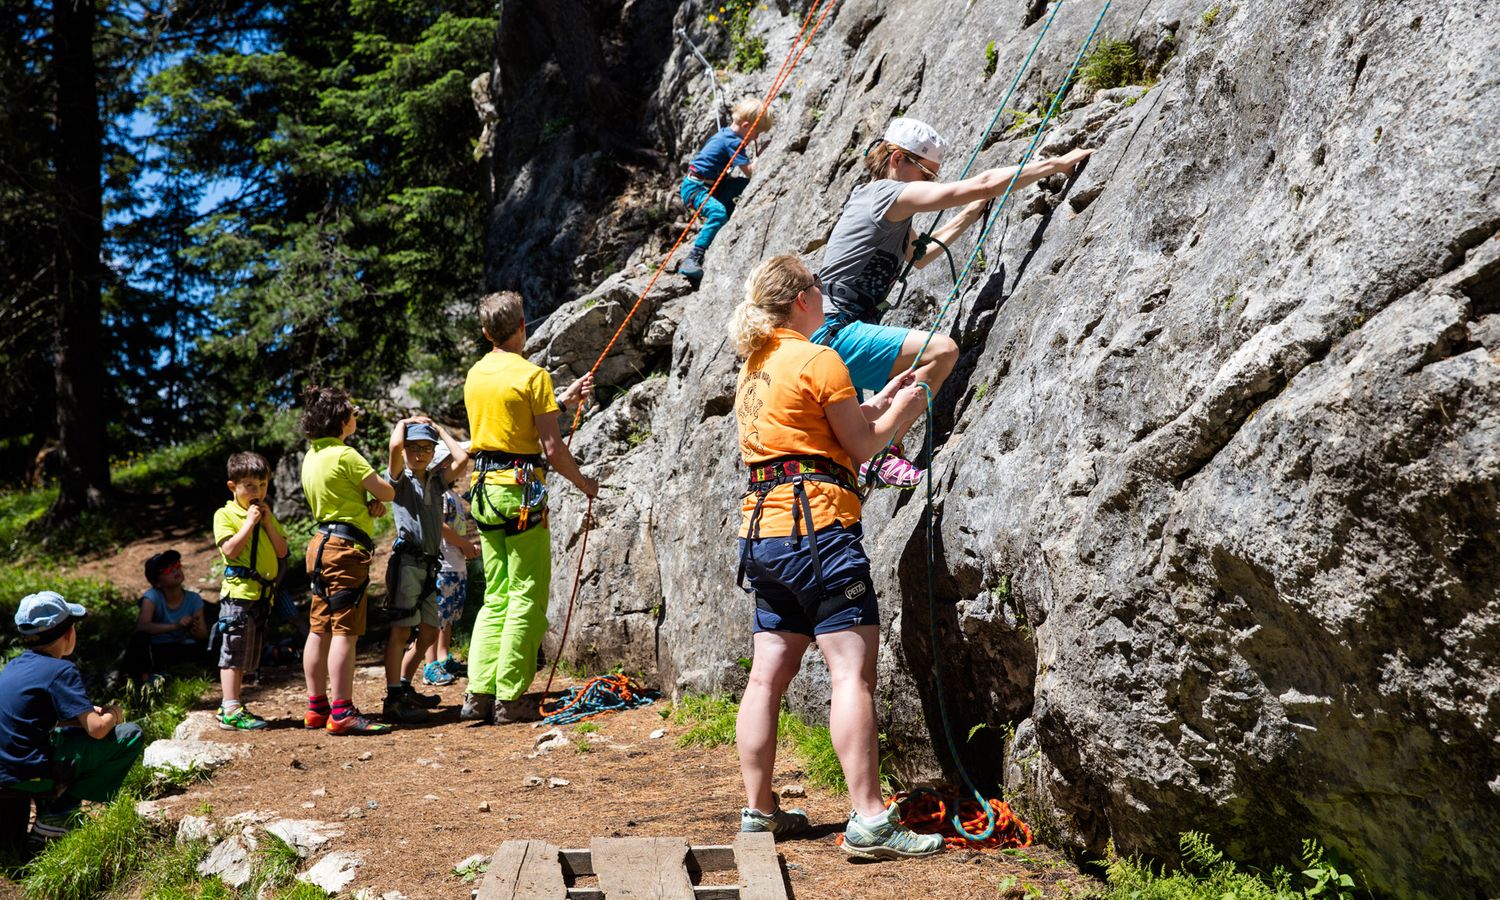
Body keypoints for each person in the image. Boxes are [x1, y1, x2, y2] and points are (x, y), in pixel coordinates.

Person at [729, 254, 942, 859]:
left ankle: (760, 810)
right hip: (819, 531)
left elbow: (815, 431)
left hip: (766, 536)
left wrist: (881, 398)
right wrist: (915, 397)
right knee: (851, 670)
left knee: (767, 675)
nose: (824, 296)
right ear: (802, 299)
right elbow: (865, 443)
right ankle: (870, 819)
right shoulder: (819, 358)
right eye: (818, 289)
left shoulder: (755, 365)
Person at [814, 117, 1093, 486]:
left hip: (835, 331)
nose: (930, 184)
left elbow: (917, 255)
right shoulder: (887, 194)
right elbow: (983, 182)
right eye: (926, 175)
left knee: (911, 372)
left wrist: (966, 216)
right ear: (897, 159)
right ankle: (880, 454)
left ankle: (870, 454)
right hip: (836, 332)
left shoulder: (879, 203)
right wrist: (1056, 164)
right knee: (940, 352)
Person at [461, 291, 598, 725]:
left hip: (483, 491)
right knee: (526, 595)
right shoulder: (533, 375)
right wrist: (584, 483)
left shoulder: (476, 374)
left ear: (487, 333)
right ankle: (509, 697)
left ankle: (477, 694)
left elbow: (509, 415)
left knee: (495, 595)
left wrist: (563, 400)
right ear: (524, 326)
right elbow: (551, 447)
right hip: (520, 493)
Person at [0, 592, 144, 842]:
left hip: (5, 770)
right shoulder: (62, 670)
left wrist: (77, 718)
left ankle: (32, 831)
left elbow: (28, 718)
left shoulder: (13, 666)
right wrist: (113, 713)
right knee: (130, 735)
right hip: (32, 773)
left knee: (63, 735)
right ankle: (59, 812)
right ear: (68, 634)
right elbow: (97, 730)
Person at [299, 386, 396, 736]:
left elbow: (336, 496)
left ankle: (317, 706)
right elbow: (387, 491)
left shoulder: (311, 457)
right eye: (353, 412)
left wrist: (362, 502)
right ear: (342, 420)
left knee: (319, 626)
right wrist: (376, 495)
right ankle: (342, 710)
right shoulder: (346, 454)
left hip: (320, 543)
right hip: (346, 548)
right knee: (346, 630)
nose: (356, 417)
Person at [379, 417, 468, 723]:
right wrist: (404, 422)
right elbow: (393, 445)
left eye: (427, 449)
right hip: (407, 563)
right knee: (402, 630)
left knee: (429, 630)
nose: (420, 454)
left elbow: (462, 458)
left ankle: (404, 686)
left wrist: (441, 431)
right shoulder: (398, 479)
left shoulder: (435, 480)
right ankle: (392, 699)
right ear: (404, 450)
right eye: (414, 448)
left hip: (430, 565)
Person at [212, 451, 287, 730]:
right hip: (238, 594)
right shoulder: (225, 514)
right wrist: (249, 523)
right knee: (233, 650)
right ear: (233, 487)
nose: (258, 492)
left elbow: (282, 551)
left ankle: (234, 703)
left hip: (260, 595)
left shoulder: (267, 514)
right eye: (251, 486)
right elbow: (230, 550)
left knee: (245, 653)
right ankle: (229, 706)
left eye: (264, 485)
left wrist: (267, 522)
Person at [678, 97, 776, 286]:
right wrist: (759, 156)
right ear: (747, 126)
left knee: (740, 188)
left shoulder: (727, 135)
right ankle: (693, 257)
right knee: (717, 212)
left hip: (713, 184)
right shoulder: (732, 141)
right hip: (695, 187)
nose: (756, 138)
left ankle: (722, 227)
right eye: (757, 133)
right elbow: (751, 173)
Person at [415, 445, 479, 686]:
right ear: (442, 466)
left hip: (455, 565)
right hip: (443, 565)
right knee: (436, 616)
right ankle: (430, 664)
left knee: (449, 616)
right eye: (451, 462)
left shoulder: (451, 495)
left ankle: (442, 656)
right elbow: (439, 525)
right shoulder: (439, 494)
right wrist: (464, 544)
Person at [124, 550, 208, 684]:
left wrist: (194, 628)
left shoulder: (194, 599)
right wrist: (176, 626)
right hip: (159, 648)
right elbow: (143, 626)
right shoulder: (152, 597)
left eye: (177, 565)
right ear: (156, 583)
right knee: (138, 641)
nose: (175, 571)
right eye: (168, 570)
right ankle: (143, 680)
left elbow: (203, 635)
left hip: (184, 646)